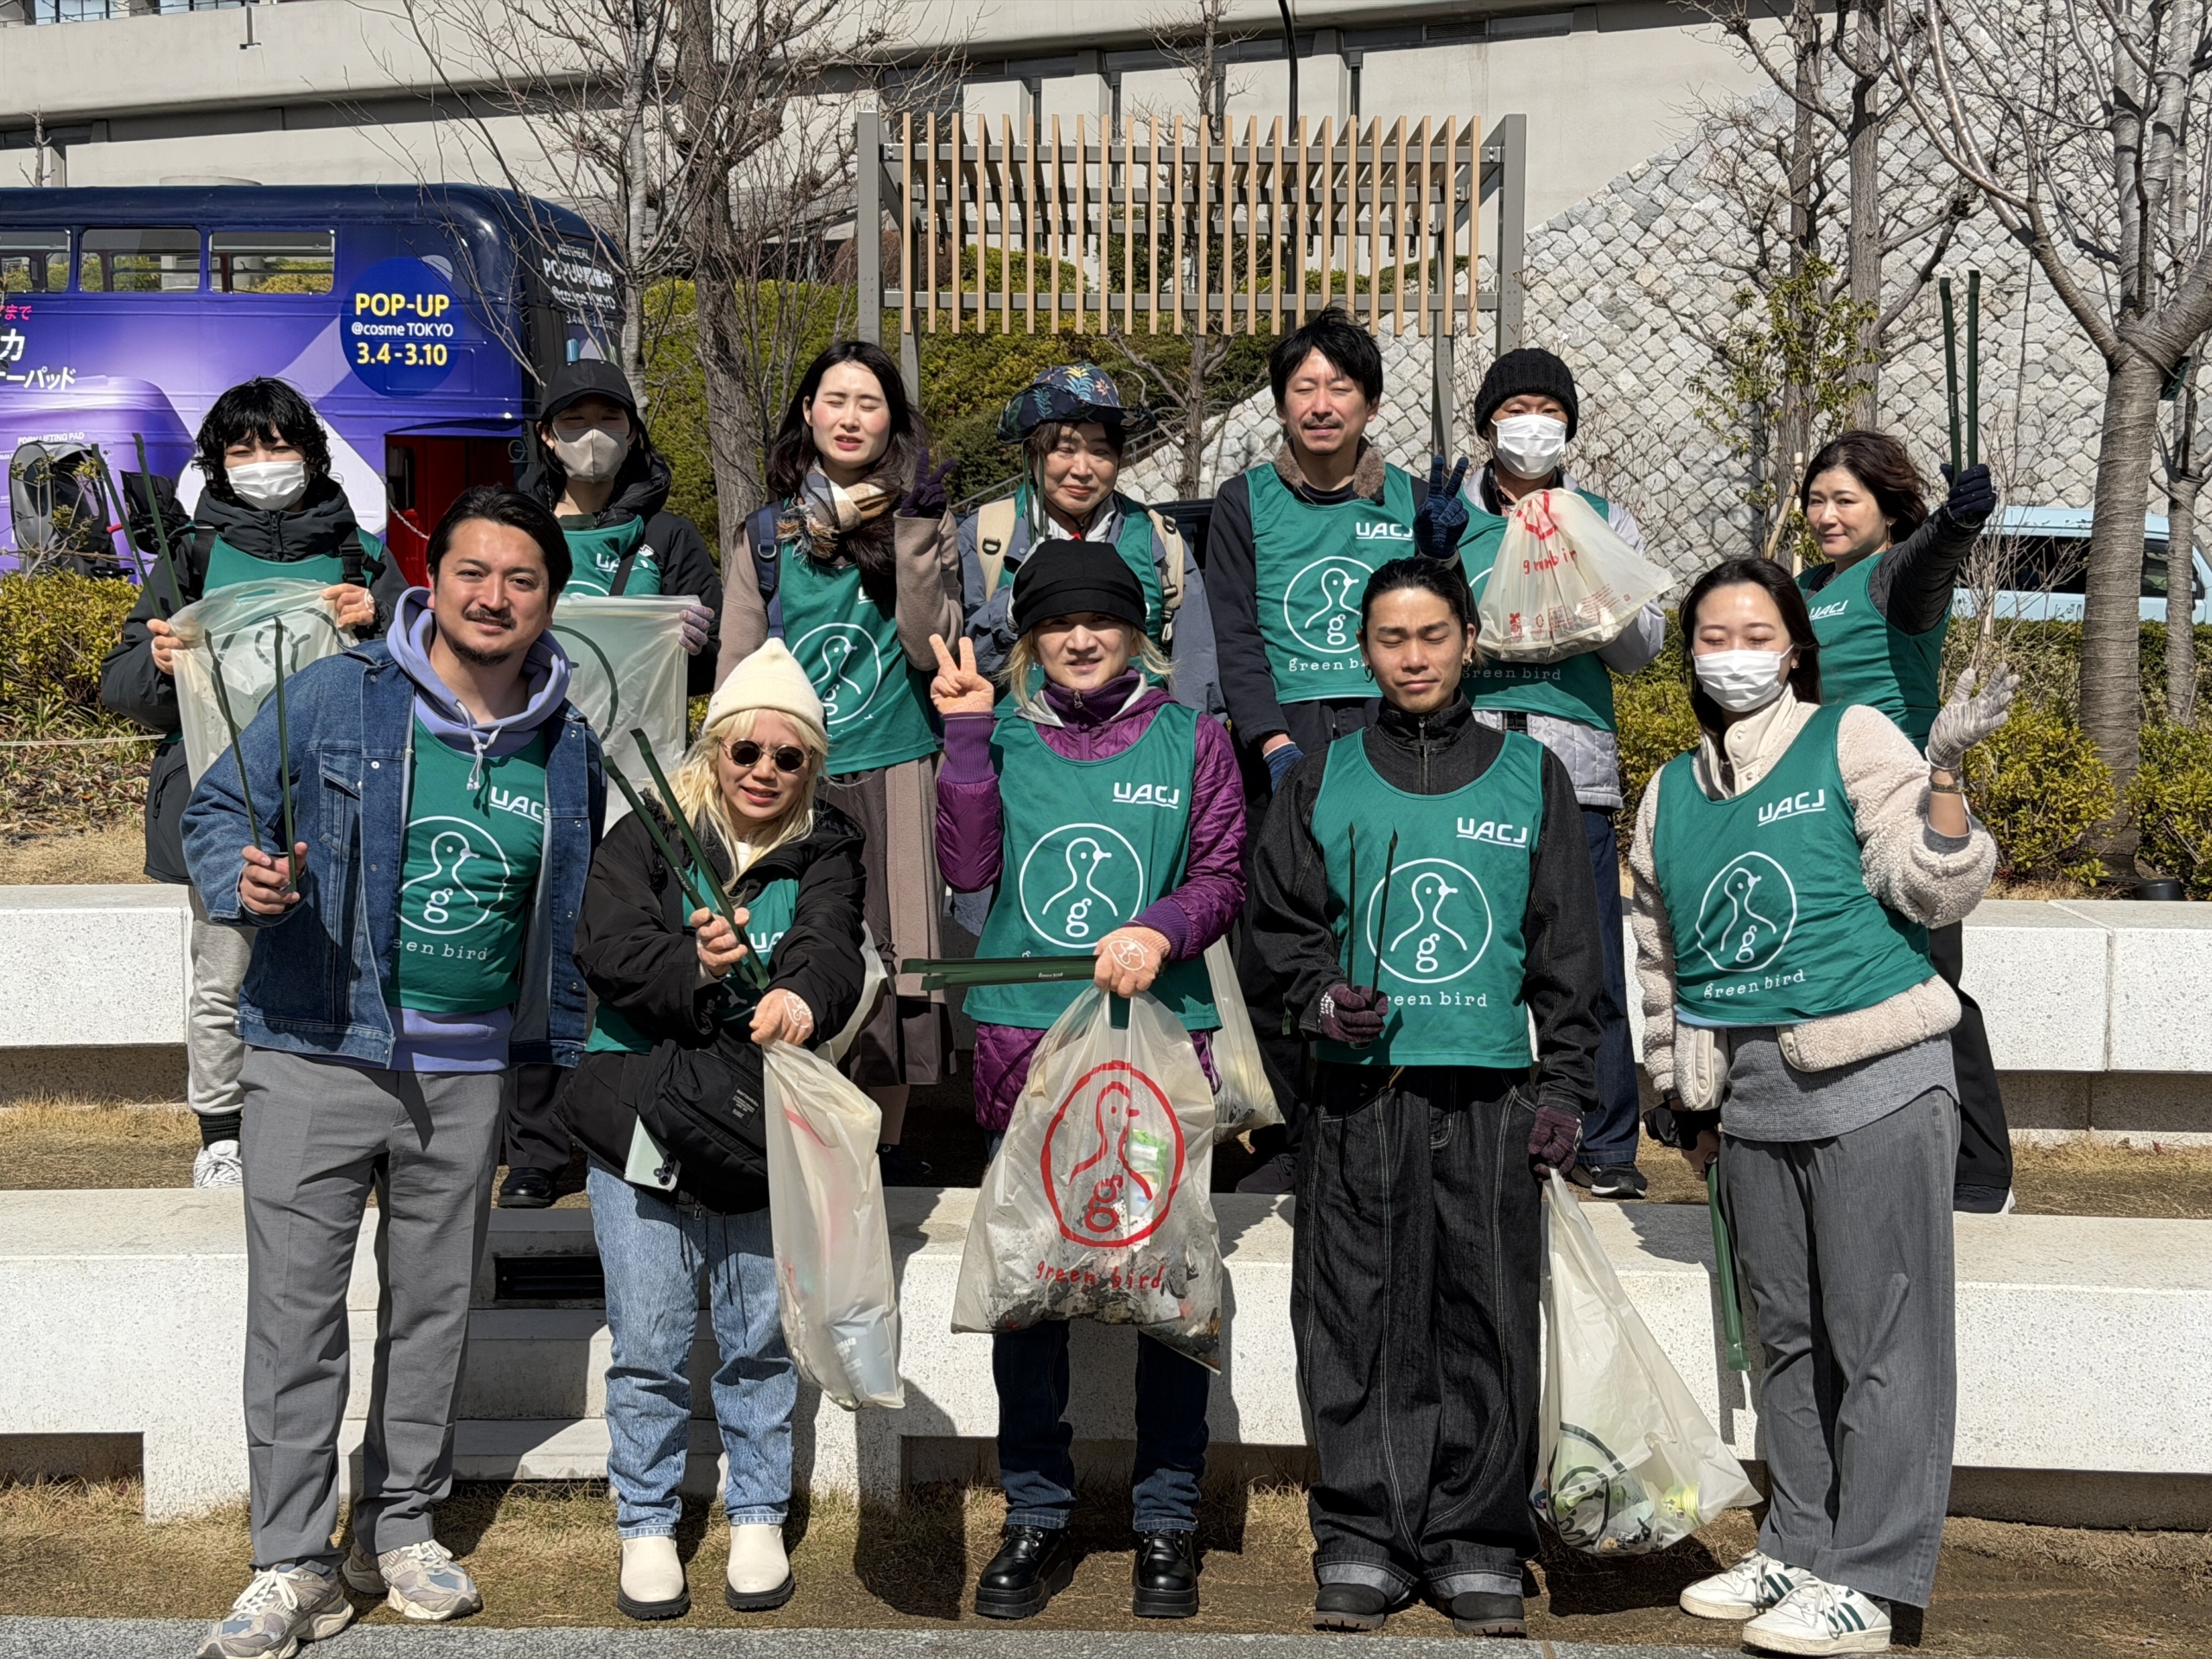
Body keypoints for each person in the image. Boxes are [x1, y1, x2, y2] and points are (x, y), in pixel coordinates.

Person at [181, 487, 601, 1659]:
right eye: (473, 570)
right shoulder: (339, 692)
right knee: (296, 1320)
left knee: (433, 1311)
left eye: (522, 578)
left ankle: (401, 1526)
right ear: (435, 579)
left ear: (549, 600)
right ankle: (289, 1560)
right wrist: (244, 882)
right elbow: (219, 814)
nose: (494, 595)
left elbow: (571, 909)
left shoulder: (571, 744)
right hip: (316, 1046)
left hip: (469, 1077)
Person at [1632, 556, 2010, 1656]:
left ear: (1793, 646)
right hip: (1748, 1100)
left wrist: (1942, 777)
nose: (1732, 651)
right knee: (1785, 1341)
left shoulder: (1850, 739)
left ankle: (1875, 1578)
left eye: (1756, 631)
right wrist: (1680, 1092)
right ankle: (1799, 1541)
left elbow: (1929, 886)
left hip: (1873, 1083)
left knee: (1881, 1338)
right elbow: (1661, 962)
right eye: (1712, 633)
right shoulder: (1668, 791)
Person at [1243, 556, 1605, 1638]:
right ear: (1364, 650)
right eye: (1392, 638)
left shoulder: (1526, 775)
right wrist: (1316, 1002)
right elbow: (1275, 931)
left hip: (1489, 1093)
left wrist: (1566, 1087)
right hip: (1360, 1099)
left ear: (1467, 640)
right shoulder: (1321, 775)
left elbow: (1569, 953)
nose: (1413, 656)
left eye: (1433, 635)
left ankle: (1475, 1539)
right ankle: (1360, 1533)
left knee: (1482, 1315)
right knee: (1352, 1314)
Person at [929, 538, 1246, 1622]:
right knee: (1031, 1296)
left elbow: (1219, 872)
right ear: (1026, 636)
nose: (1077, 638)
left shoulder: (1190, 736)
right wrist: (965, 742)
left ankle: (1166, 1518)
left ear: (1135, 628)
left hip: (1158, 1043)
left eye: (1100, 619)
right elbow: (967, 874)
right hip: (1027, 1041)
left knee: (1165, 1290)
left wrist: (1161, 929)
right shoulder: (999, 733)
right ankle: (1034, 1512)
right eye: (1055, 622)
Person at [560, 639, 868, 1623]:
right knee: (648, 1335)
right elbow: (604, 947)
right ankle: (646, 1521)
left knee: (756, 1335)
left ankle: (758, 1510)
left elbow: (831, 945)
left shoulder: (828, 844)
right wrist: (692, 965)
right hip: (641, 1115)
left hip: (757, 1119)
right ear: (715, 749)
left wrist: (797, 998)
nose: (765, 773)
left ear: (809, 768)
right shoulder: (646, 833)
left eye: (788, 758)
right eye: (747, 752)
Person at [98, 377, 408, 1189]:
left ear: (311, 452)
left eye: (279, 445)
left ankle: (350, 1121)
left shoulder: (359, 556)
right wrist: (157, 662)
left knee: (351, 958)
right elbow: (120, 685)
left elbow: (428, 666)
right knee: (224, 966)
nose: (263, 462)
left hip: (341, 796)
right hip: (222, 796)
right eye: (243, 449)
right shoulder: (192, 557)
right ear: (217, 464)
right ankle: (223, 1133)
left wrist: (379, 620)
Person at [1200, 306, 1469, 1194]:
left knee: (1386, 914)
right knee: (1283, 929)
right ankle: (1282, 1127)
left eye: (1339, 387)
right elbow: (1236, 634)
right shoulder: (1245, 501)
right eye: (1302, 386)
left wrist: (1444, 556)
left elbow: (1443, 624)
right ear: (1278, 403)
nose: (1321, 404)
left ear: (1370, 401)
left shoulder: (1409, 497)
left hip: (1390, 739)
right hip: (1290, 742)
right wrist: (1270, 739)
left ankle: (1395, 1110)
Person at [717, 340, 961, 1183]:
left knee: (901, 960)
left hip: (897, 762)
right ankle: (800, 1130)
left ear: (892, 419)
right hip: (794, 781)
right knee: (804, 946)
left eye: (869, 402)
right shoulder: (765, 536)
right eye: (835, 400)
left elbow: (933, 651)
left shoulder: (919, 518)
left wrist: (918, 534)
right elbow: (738, 673)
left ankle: (882, 1145)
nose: (851, 416)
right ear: (808, 415)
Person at [499, 358, 725, 1211]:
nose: (590, 439)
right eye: (571, 422)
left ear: (633, 433)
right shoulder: (519, 534)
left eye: (609, 420)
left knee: (637, 964)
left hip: (645, 786)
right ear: (545, 437)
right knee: (536, 964)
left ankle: (640, 1138)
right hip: (534, 774)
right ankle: (533, 1152)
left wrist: (693, 633)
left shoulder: (669, 539)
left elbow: (714, 643)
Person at [1458, 348, 1668, 1200]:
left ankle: (1606, 1141)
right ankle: (1488, 1124)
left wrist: (1588, 589)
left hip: (1572, 762)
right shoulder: (1451, 517)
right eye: (1515, 409)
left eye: (1548, 408)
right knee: (1482, 953)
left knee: (1587, 962)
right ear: (1487, 424)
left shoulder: (1603, 517)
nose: (1531, 424)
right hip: (1469, 763)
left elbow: (1643, 648)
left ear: (1569, 424)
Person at [1796, 434, 2012, 1213]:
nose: (1825, 514)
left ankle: (1982, 1172)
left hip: (1905, 804)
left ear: (1888, 512)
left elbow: (1929, 568)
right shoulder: (1806, 584)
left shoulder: (1890, 578)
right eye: (1816, 499)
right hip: (1825, 806)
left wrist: (1956, 523)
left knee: (1930, 982)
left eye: (1844, 499)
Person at [957, 363, 1221, 715]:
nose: (1082, 470)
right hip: (1017, 756)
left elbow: (1195, 670)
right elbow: (959, 667)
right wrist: (1010, 610)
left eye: (1100, 451)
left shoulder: (1159, 538)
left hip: (1137, 758)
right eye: (1065, 449)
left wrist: (1196, 749)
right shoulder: (985, 536)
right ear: (1033, 453)